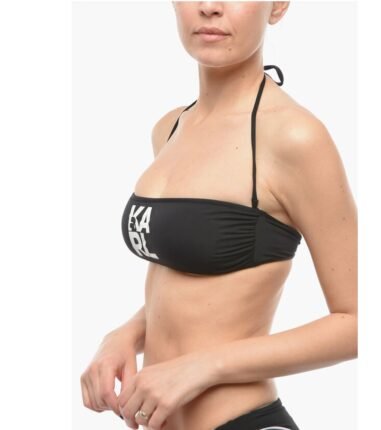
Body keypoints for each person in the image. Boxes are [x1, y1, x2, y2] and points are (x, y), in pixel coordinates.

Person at [80, 2, 357, 430]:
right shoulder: (170, 128)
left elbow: (360, 322)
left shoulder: (295, 137)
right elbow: (188, 286)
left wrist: (203, 367)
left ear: (277, 5)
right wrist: (126, 334)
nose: (209, 7)